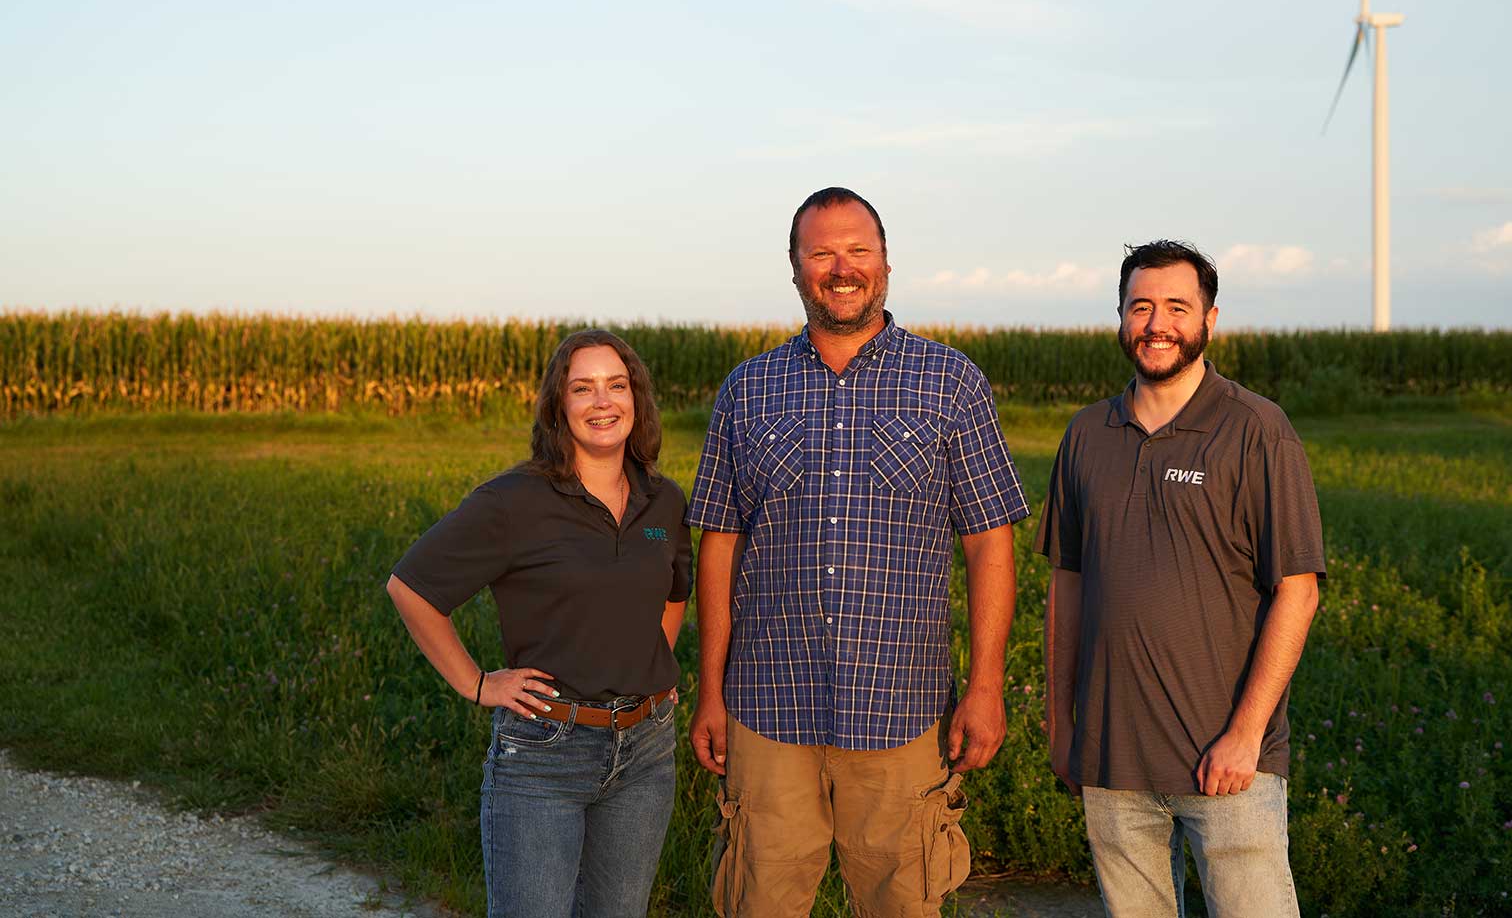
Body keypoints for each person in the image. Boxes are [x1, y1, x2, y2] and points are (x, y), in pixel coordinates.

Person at [687, 187, 1031, 917]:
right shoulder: (747, 392)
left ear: (885, 264)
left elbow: (988, 542)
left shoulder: (951, 383)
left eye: (857, 251)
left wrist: (986, 686)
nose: (841, 268)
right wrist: (710, 690)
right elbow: (719, 548)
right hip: (766, 706)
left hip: (902, 712)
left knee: (903, 904)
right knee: (758, 902)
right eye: (821, 253)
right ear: (794, 269)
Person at [1035, 240, 1324, 918]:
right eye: (1141, 307)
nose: (1156, 324)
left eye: (1176, 307)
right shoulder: (1086, 435)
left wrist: (1246, 734)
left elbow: (1297, 591)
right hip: (1112, 763)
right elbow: (1067, 585)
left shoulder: (1258, 431)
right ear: (1120, 317)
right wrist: (1060, 725)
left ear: (1209, 320)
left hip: (1228, 764)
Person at [385, 330, 691, 918]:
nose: (603, 402)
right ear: (558, 407)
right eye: (583, 388)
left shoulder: (664, 500)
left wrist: (649, 663)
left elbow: (675, 592)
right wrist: (476, 683)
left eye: (616, 386)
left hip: (647, 753)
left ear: (637, 399)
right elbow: (412, 587)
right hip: (546, 751)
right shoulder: (514, 501)